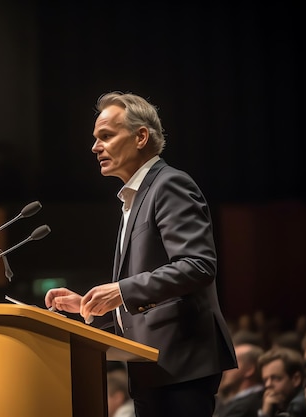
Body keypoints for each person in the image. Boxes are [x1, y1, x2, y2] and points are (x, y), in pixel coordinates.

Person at [44, 91, 237, 417]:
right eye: (95, 139)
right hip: (152, 367)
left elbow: (198, 265)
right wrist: (92, 307)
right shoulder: (134, 198)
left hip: (181, 364)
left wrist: (121, 291)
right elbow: (144, 294)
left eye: (106, 136)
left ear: (140, 137)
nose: (95, 147)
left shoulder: (170, 185)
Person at [216, 343, 264, 417]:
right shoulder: (226, 400)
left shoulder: (248, 406)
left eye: (231, 363)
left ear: (249, 370)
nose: (225, 370)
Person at [257, 347, 306, 417]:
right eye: (265, 380)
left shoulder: (298, 407)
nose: (267, 385)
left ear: (296, 379)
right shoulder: (277, 406)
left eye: (276, 378)